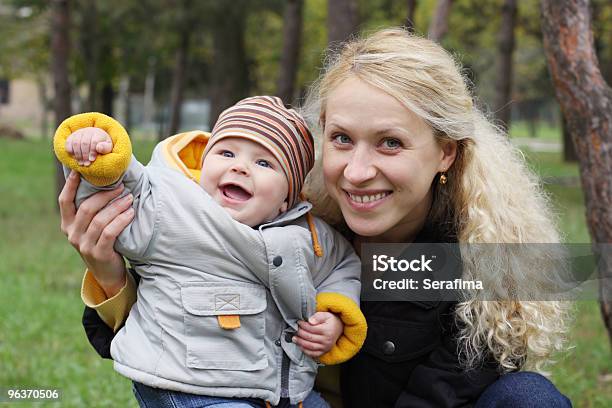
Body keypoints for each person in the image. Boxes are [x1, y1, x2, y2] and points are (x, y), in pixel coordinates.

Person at [59, 29, 572, 407]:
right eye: (342, 138)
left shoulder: (471, 255)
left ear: (445, 153)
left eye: (390, 142)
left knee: (530, 397)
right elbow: (150, 342)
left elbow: (448, 391)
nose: (357, 170)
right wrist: (108, 273)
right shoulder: (283, 216)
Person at [54, 96, 367, 408]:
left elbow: (342, 267)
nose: (239, 167)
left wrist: (334, 315)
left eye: (263, 163)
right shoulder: (170, 207)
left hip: (279, 392)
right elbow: (119, 189)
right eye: (226, 152)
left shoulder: (307, 234)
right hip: (185, 385)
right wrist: (99, 151)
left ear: (288, 198)